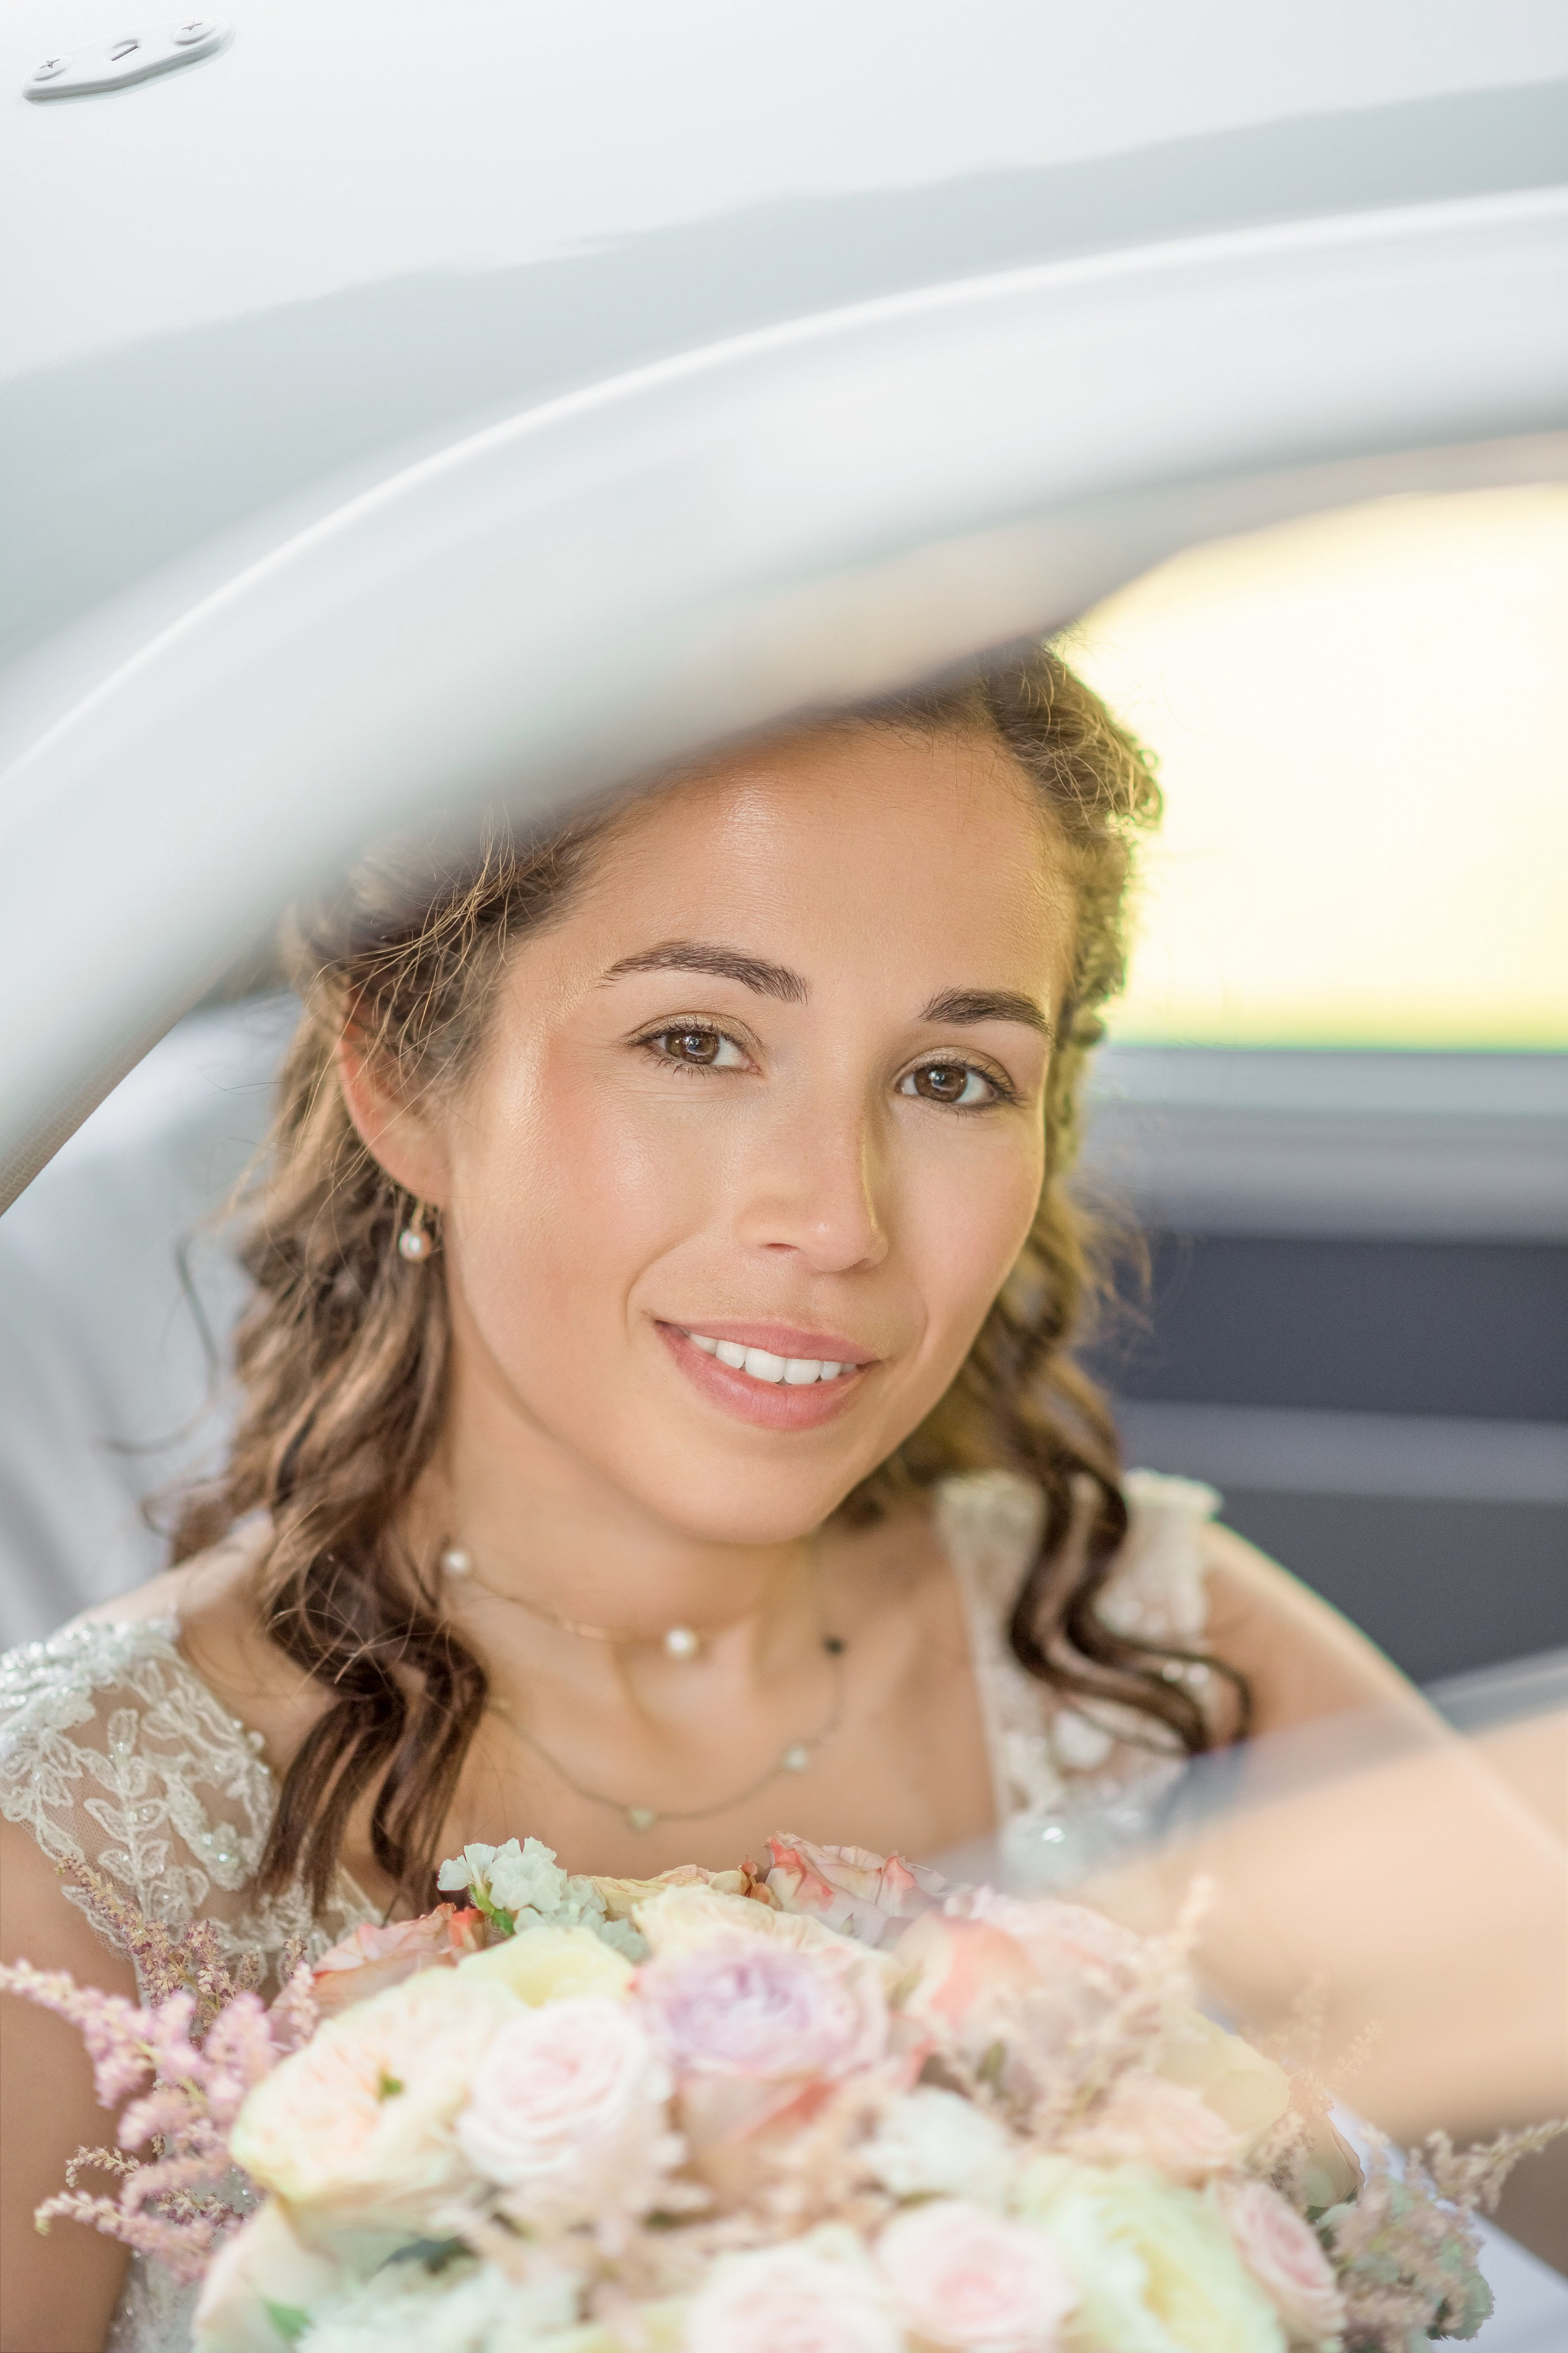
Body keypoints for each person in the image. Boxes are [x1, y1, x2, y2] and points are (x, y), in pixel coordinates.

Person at [0, 655, 1560, 2353]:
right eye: (699, 1040)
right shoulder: (72, 1851)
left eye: (952, 1076)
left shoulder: (1150, 1651)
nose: (838, 1217)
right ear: (405, 1076)